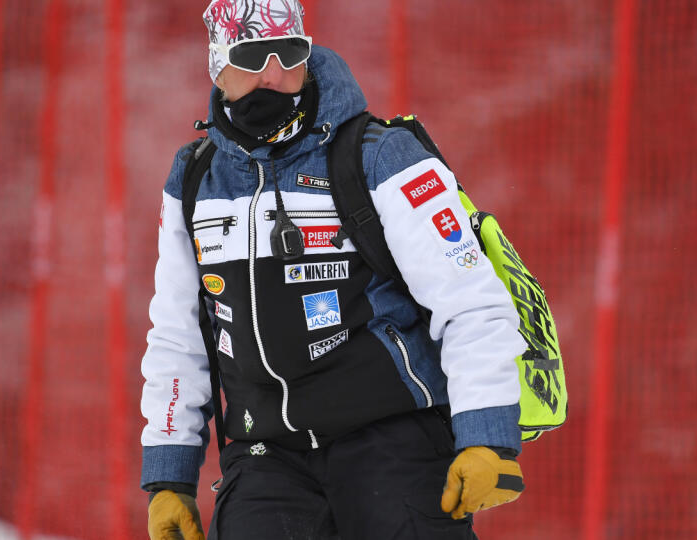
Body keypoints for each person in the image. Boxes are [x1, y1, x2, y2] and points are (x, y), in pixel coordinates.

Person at [140, 1, 527, 538]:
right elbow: (179, 336)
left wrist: (487, 435)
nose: (273, 74)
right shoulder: (194, 180)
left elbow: (469, 299)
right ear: (218, 65)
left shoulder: (384, 156)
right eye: (252, 56)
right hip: (265, 458)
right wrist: (169, 476)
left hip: (392, 446)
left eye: (289, 53)